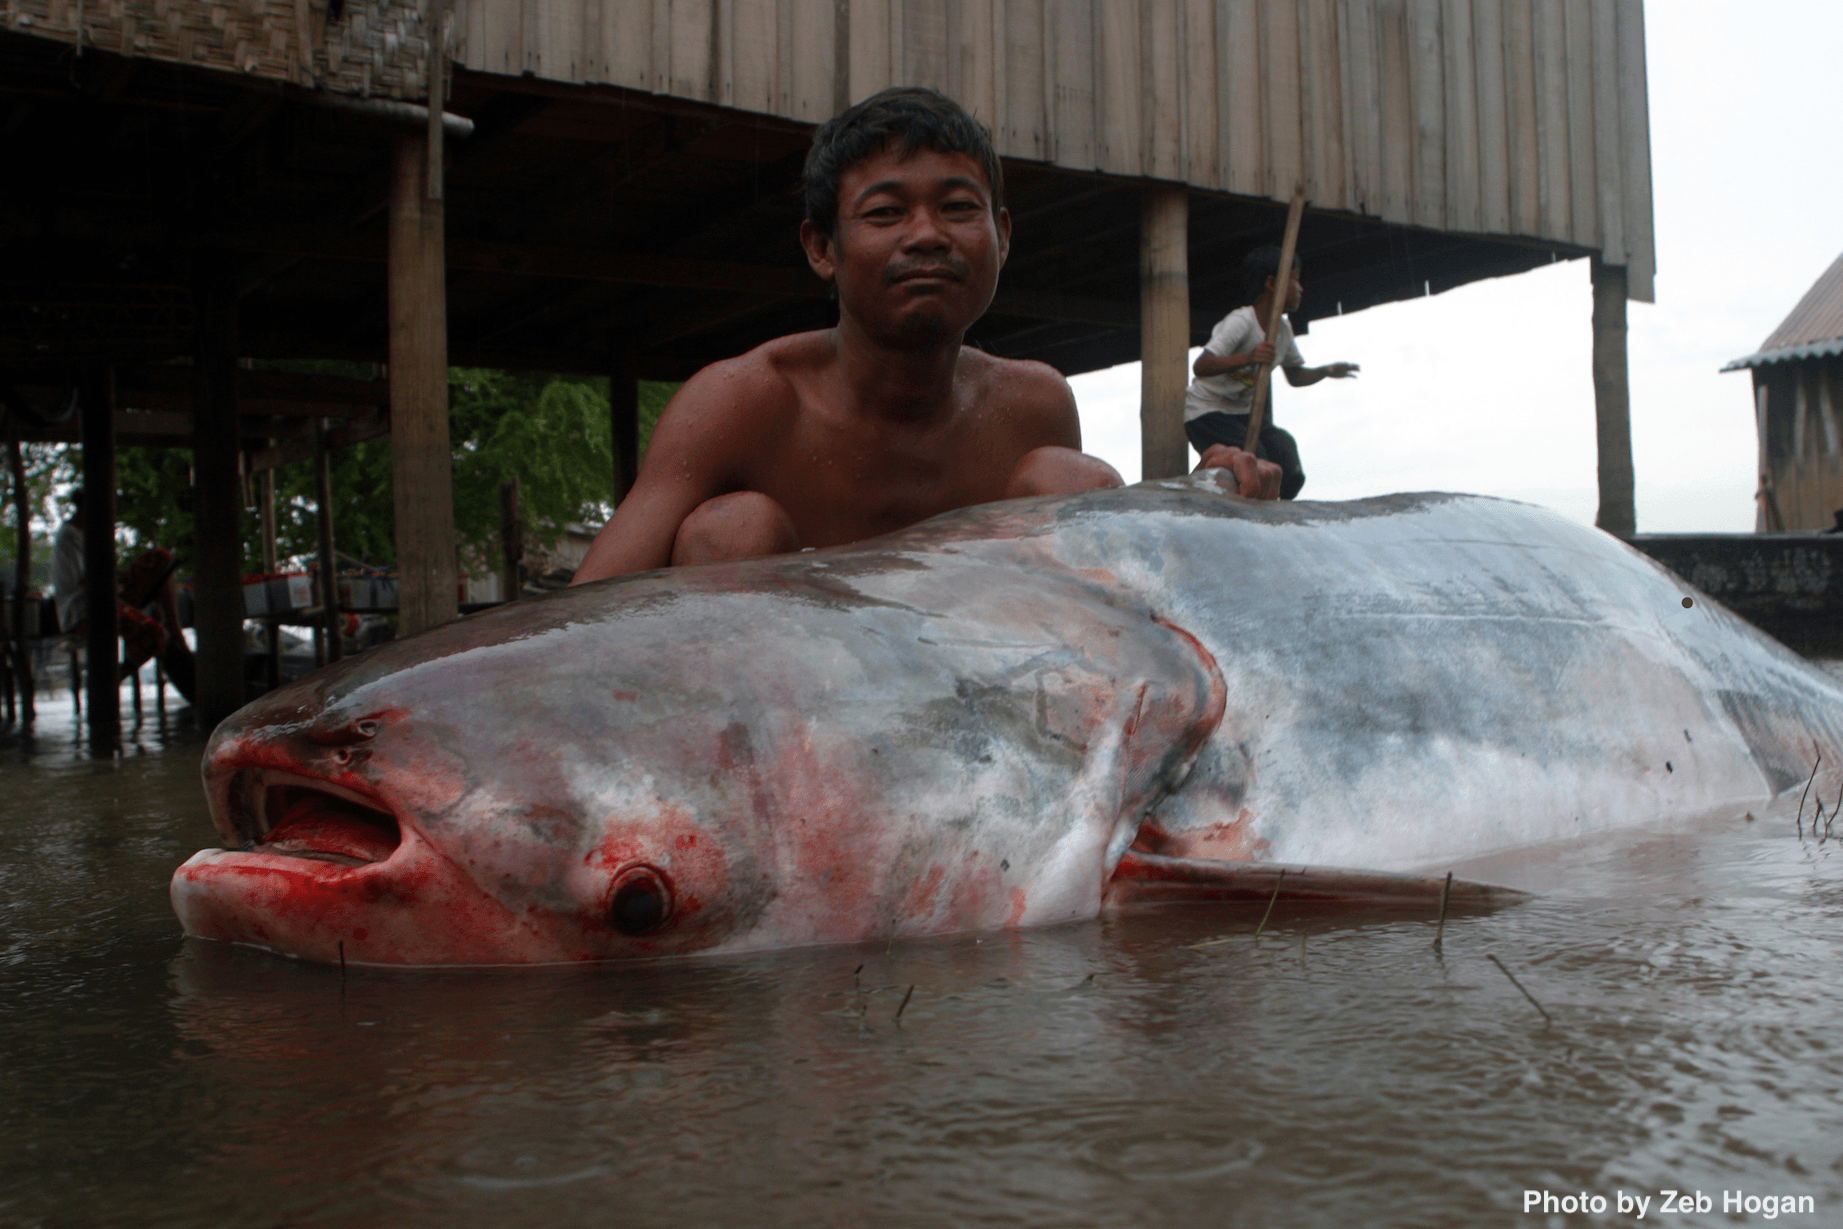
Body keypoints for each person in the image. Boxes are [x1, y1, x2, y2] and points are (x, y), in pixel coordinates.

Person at [573, 87, 1281, 583]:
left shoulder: (1032, 404)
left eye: (956, 207)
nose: (926, 235)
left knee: (1067, 482)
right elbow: (588, 613)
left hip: (973, 716)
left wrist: (1209, 512)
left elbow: (1125, 592)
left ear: (1001, 237)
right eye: (885, 213)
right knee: (731, 532)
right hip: (783, 725)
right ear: (822, 247)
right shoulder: (742, 401)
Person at [1183, 246, 1359, 500]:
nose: (1300, 288)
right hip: (1209, 413)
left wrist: (1326, 371)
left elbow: (1295, 376)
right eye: (1294, 279)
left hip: (1243, 416)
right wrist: (1248, 357)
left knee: (1285, 458)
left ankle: (1277, 515)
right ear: (1272, 283)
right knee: (1256, 464)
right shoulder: (1242, 321)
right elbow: (1202, 366)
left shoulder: (1283, 331)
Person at [51, 493, 196, 700]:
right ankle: (116, 677)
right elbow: (84, 579)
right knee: (154, 634)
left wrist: (124, 577)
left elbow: (99, 571)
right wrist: (120, 579)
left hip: (107, 599)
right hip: (85, 611)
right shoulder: (69, 536)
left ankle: (173, 627)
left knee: (161, 558)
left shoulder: (84, 534)